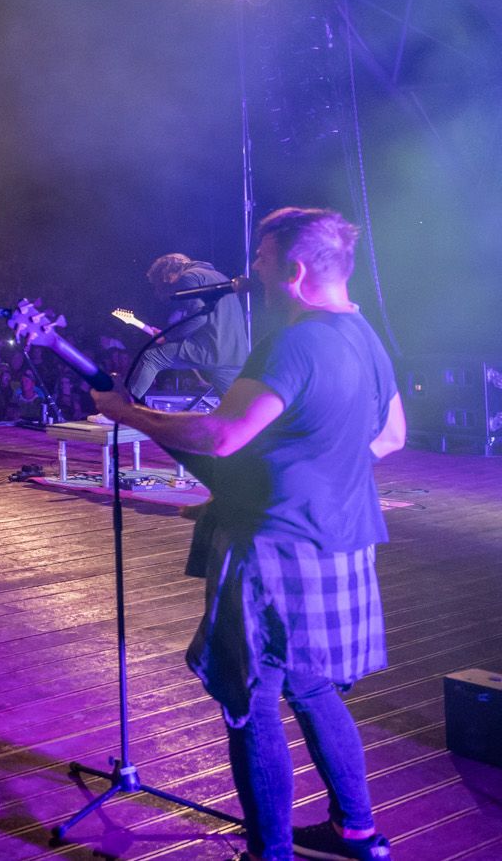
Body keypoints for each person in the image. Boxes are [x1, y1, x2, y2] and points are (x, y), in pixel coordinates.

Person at [90, 208, 403, 861]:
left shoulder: (294, 343)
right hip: (341, 541)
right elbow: (392, 435)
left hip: (274, 547)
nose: (252, 269)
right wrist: (311, 472)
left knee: (251, 699)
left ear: (294, 270)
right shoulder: (365, 334)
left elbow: (222, 434)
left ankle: (269, 854)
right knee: (311, 685)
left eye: (261, 258)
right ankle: (357, 832)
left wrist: (131, 412)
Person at [126, 253, 253, 402]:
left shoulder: (188, 277)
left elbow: (199, 317)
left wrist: (168, 337)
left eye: (159, 285)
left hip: (210, 349)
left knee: (152, 358)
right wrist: (168, 334)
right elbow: (211, 318)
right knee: (238, 408)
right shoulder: (219, 276)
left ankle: (122, 407)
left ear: (167, 275)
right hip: (235, 352)